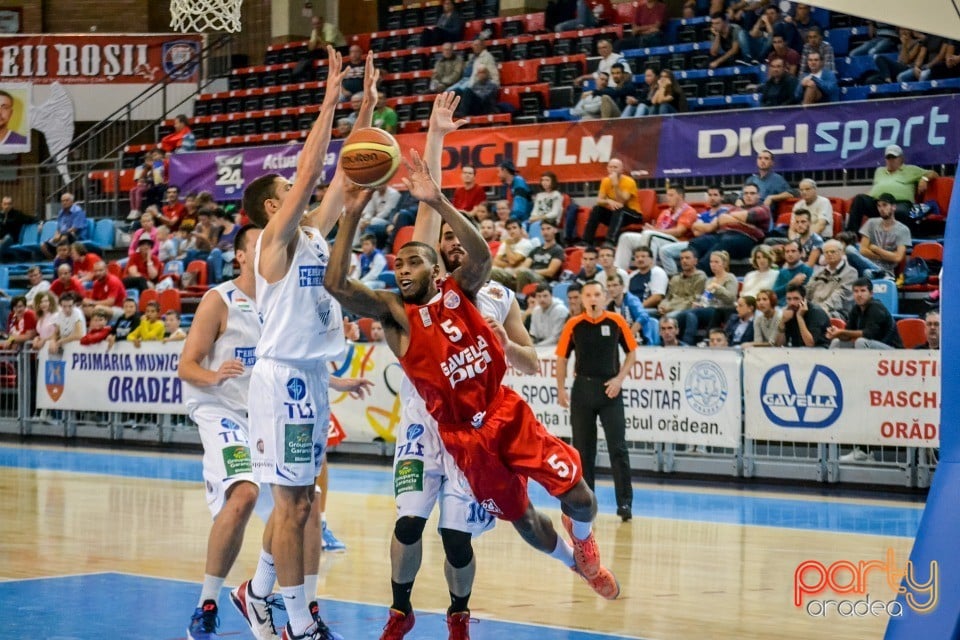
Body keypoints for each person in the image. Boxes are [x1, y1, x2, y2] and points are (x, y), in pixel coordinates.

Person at [326, 145, 621, 635]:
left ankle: (583, 543)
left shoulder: (464, 291)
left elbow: (481, 255)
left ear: (437, 270)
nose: (401, 269)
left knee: (580, 498)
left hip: (505, 413)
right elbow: (337, 283)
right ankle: (567, 565)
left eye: (412, 261)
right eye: (397, 264)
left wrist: (440, 200)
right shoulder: (397, 315)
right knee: (511, 524)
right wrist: (352, 215)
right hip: (457, 438)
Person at [372, 94, 543, 639]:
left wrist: (506, 346)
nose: (448, 243)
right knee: (407, 522)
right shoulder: (422, 291)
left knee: (456, 539)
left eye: (455, 236)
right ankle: (400, 606)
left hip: (474, 431)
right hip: (424, 426)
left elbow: (533, 361)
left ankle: (458, 611)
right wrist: (436, 135)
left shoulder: (494, 292)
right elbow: (426, 203)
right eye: (441, 240)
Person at [232, 47, 368, 640]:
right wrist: (331, 100)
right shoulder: (274, 242)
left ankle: (257, 593)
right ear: (271, 205)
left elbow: (344, 176)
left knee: (306, 503)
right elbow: (315, 170)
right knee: (291, 507)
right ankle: (296, 624)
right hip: (283, 377)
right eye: (288, 191)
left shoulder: (311, 234)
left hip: (310, 378)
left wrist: (367, 109)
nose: (301, 193)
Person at [556, 279, 636, 521]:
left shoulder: (616, 322)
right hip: (583, 390)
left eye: (597, 294)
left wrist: (619, 379)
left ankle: (625, 504)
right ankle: (586, 503)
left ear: (604, 297)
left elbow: (632, 352)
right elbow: (561, 358)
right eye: (588, 294)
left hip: (610, 390)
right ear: (582, 298)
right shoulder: (574, 324)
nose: (592, 298)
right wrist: (561, 388)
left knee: (618, 447)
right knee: (582, 450)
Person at [844, 146, 939, 232]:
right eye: (888, 158)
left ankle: (899, 240)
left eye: (894, 157)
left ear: (901, 158)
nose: (891, 160)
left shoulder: (911, 169)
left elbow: (934, 173)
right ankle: (850, 235)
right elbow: (876, 188)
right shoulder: (879, 171)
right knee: (859, 199)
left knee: (898, 211)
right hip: (879, 204)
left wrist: (924, 179)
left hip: (899, 204)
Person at [614, 183, 696, 270]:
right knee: (626, 237)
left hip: (677, 242)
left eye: (671, 195)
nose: (667, 198)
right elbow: (657, 230)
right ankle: (620, 272)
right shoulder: (665, 212)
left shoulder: (689, 211)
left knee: (650, 235)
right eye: (667, 195)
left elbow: (679, 232)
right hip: (659, 239)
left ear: (680, 196)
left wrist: (654, 231)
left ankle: (648, 272)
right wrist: (652, 229)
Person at [827, 278, 903, 349]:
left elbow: (868, 334)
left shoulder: (876, 307)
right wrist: (836, 334)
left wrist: (841, 331)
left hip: (892, 350)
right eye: (856, 291)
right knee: (836, 342)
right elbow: (848, 336)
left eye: (863, 291)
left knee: (860, 342)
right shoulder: (855, 309)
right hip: (873, 347)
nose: (859, 294)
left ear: (871, 293)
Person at [583, 158, 642, 246]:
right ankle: (586, 241)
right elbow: (599, 201)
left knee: (620, 209)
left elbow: (621, 201)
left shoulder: (629, 182)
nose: (612, 170)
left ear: (621, 170)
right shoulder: (605, 181)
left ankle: (610, 241)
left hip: (633, 215)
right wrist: (608, 201)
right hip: (616, 214)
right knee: (597, 209)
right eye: (610, 167)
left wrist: (615, 184)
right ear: (607, 169)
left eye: (615, 167)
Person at [859, 193, 911, 279]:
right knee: (849, 250)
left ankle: (880, 273)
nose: (881, 209)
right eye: (879, 206)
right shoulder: (871, 223)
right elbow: (863, 250)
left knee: (867, 273)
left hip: (886, 269)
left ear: (893, 207)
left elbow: (898, 257)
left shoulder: (903, 230)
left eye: (884, 205)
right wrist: (886, 256)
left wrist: (876, 249)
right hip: (867, 264)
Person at [806, 239, 857, 320]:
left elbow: (840, 297)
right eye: (826, 252)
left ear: (841, 252)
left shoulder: (851, 273)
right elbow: (807, 291)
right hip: (815, 309)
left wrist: (817, 310)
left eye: (832, 251)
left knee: (816, 318)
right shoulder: (818, 272)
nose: (829, 254)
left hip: (838, 312)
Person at [606, 272, 658, 345]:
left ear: (622, 286)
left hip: (640, 340)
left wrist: (628, 336)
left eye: (615, 285)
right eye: (609, 286)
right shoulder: (609, 307)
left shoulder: (631, 300)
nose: (611, 289)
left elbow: (643, 316)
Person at [42, 193, 87, 258]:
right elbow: (58, 228)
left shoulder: (78, 211)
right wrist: (55, 237)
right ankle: (55, 260)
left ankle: (60, 257)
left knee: (66, 236)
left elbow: (74, 229)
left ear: (72, 201)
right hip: (63, 236)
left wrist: (60, 235)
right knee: (43, 245)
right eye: (62, 201)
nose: (64, 202)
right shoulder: (61, 212)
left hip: (77, 237)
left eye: (67, 200)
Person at [627, 246, 668, 311]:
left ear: (651, 259)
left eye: (643, 256)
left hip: (650, 309)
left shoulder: (657, 272)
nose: (640, 259)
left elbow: (657, 297)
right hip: (632, 308)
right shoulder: (632, 275)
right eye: (637, 257)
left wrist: (637, 308)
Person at [0, 195, 34, 260]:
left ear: (12, 205)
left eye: (9, 204)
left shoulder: (17, 215)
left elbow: (31, 219)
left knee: (7, 238)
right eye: (5, 204)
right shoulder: (0, 215)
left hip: (13, 239)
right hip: (1, 239)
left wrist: (41, 223)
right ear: (1, 204)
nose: (7, 206)